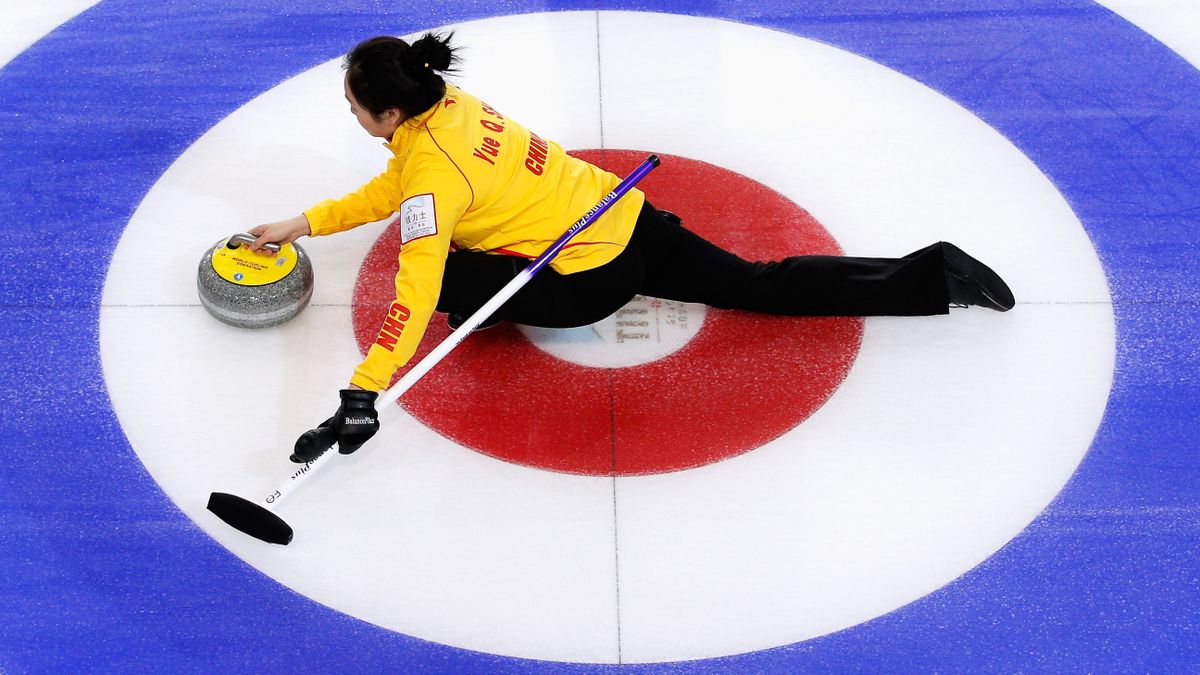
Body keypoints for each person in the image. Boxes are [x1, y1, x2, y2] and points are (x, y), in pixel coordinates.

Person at [247, 32, 1015, 464]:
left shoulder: (427, 178)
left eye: (352, 104)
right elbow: (408, 186)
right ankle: (931, 277)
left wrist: (364, 388)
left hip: (592, 279)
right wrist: (305, 222)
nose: (347, 110)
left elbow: (413, 277)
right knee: (759, 282)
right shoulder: (448, 105)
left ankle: (487, 310)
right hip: (630, 218)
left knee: (443, 277)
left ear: (387, 114)